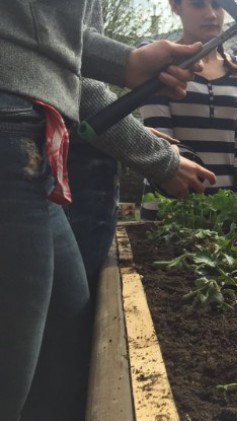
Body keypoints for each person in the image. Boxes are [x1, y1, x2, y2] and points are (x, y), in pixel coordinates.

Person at [0, 1, 204, 421]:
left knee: (67, 352)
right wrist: (159, 159)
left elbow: (56, 52)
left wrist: (126, 62)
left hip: (34, 131)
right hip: (11, 127)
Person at [70, 3, 216, 297]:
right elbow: (61, 57)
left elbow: (71, 65)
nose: (212, 13)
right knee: (66, 318)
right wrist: (128, 63)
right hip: (36, 159)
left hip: (66, 153)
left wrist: (132, 130)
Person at [140, 0, 237, 220]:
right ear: (176, 7)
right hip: (169, 207)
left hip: (228, 211)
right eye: (198, 4)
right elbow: (161, 141)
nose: (211, 14)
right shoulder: (158, 61)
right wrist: (185, 201)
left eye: (217, 4)